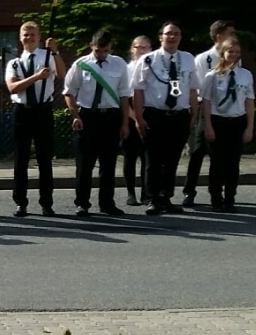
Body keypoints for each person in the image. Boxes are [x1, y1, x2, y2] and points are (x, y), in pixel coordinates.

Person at [63, 29, 132, 217]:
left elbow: (124, 95)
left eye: (104, 50)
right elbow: (69, 92)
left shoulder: (119, 64)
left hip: (111, 116)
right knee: (85, 164)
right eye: (97, 50)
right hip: (88, 116)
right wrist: (75, 115)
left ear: (110, 47)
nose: (101, 54)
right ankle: (82, 203)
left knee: (108, 164)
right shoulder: (81, 64)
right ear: (91, 46)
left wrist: (125, 123)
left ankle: (107, 203)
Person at [132, 23, 197, 215]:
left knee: (172, 159)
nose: (173, 37)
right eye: (169, 34)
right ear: (160, 37)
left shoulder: (187, 59)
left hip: (179, 116)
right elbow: (138, 90)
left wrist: (193, 114)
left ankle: (165, 196)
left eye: (176, 34)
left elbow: (193, 88)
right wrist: (138, 117)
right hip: (155, 115)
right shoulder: (148, 60)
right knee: (153, 159)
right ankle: (151, 198)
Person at [4, 20, 65, 217]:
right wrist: (36, 77)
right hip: (22, 111)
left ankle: (46, 202)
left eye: (32, 34)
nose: (29, 38)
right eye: (25, 34)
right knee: (21, 159)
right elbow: (13, 87)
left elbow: (62, 74)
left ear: (39, 37)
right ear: (20, 38)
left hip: (42, 110)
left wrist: (55, 52)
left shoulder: (47, 56)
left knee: (44, 158)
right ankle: (20, 202)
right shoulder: (14, 62)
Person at [182, 20, 238, 206]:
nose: (234, 36)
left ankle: (218, 192)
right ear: (219, 36)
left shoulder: (235, 56)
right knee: (198, 150)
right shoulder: (203, 59)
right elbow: (198, 88)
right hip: (204, 108)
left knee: (220, 154)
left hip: (224, 111)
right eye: (230, 33)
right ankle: (189, 191)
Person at [200, 35, 255, 212]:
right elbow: (206, 101)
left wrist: (249, 127)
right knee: (218, 162)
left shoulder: (245, 75)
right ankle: (216, 197)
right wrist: (208, 126)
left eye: (237, 52)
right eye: (231, 51)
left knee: (233, 163)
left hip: (237, 122)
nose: (234, 54)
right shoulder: (213, 76)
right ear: (223, 53)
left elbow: (249, 101)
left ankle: (230, 198)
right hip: (218, 121)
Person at [121, 35, 152, 206]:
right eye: (138, 47)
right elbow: (124, 97)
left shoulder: (152, 67)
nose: (141, 51)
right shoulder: (127, 69)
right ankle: (130, 193)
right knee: (130, 155)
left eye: (145, 47)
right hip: (130, 115)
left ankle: (146, 193)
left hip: (149, 114)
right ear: (131, 49)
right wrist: (135, 118)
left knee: (147, 157)